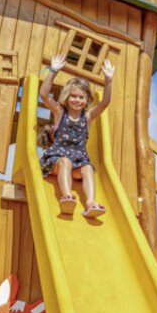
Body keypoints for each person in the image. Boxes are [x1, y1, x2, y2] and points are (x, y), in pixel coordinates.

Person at [38, 52, 114, 216]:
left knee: (88, 168)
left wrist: (108, 80)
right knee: (65, 162)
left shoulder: (88, 117)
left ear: (87, 100)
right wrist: (53, 71)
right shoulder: (60, 112)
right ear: (67, 96)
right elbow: (44, 95)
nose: (77, 100)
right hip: (56, 162)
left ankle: (90, 203)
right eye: (73, 96)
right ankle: (67, 196)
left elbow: (104, 103)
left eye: (81, 97)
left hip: (77, 164)